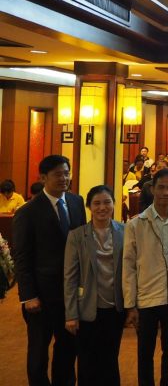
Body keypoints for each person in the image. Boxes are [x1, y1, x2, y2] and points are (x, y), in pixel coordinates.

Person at [13, 154, 86, 386]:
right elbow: (22, 257)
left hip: (69, 293)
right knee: (38, 351)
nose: (64, 178)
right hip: (41, 296)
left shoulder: (76, 202)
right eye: (57, 174)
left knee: (68, 347)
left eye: (67, 173)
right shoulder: (28, 211)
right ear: (43, 178)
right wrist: (28, 295)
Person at [123, 168, 168, 386]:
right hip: (146, 299)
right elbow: (128, 266)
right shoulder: (136, 224)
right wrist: (130, 304)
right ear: (152, 189)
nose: (165, 192)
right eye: (161, 187)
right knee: (145, 353)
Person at [63, 185, 125, 385]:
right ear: (89, 207)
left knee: (110, 359)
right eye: (96, 203)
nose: (102, 207)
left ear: (114, 204)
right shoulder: (77, 235)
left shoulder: (125, 231)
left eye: (107, 202)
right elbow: (70, 277)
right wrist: (71, 314)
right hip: (87, 308)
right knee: (88, 361)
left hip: (115, 308)